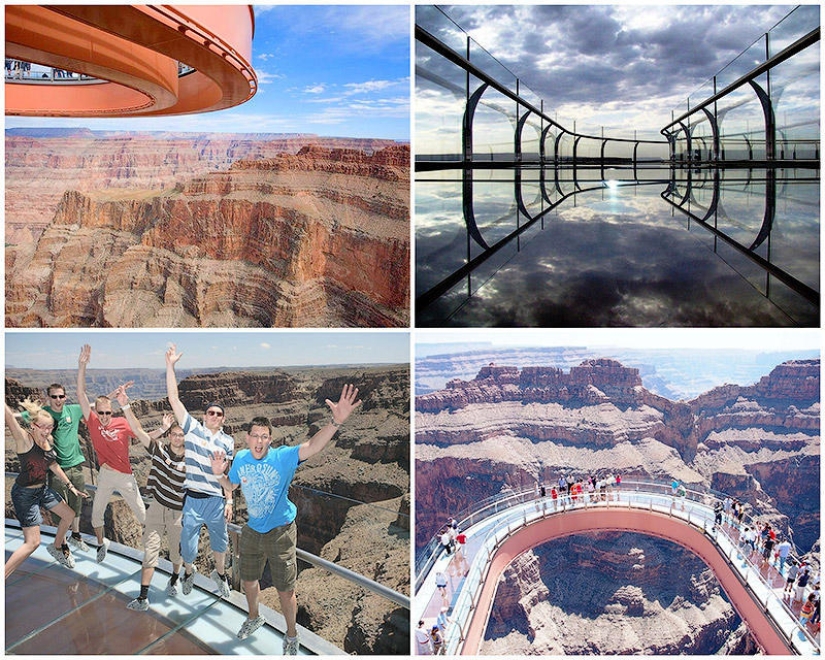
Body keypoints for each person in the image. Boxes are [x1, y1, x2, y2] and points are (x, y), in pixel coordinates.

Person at [208, 384, 361, 653]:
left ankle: (291, 635)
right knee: (248, 580)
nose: (259, 441)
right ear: (247, 438)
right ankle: (254, 617)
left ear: (270, 439)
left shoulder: (283, 457)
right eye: (255, 436)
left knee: (285, 590)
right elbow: (230, 486)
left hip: (281, 531)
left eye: (264, 436)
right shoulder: (241, 458)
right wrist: (218, 474)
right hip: (252, 530)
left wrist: (336, 421)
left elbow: (313, 446)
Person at [165, 343, 236, 600]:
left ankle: (220, 575)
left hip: (216, 500)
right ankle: (189, 571)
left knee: (221, 543)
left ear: (223, 419)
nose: (214, 416)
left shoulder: (228, 442)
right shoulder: (193, 429)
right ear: (204, 416)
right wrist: (170, 366)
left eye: (219, 414)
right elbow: (174, 399)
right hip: (193, 499)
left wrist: (229, 500)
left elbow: (227, 475)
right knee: (188, 547)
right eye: (210, 412)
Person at [115, 387, 183, 612]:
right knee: (150, 552)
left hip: (177, 513)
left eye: (181, 435)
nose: (177, 438)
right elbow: (137, 429)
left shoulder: (192, 461)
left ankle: (174, 578)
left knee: (176, 553)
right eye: (174, 434)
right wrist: (125, 405)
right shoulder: (159, 450)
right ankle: (143, 597)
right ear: (169, 435)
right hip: (156, 508)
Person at [77, 345, 147, 562]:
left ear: (112, 411)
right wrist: (82, 365)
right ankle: (101, 544)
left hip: (126, 477)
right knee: (96, 514)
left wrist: (161, 431)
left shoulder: (121, 423)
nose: (105, 416)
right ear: (96, 412)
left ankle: (150, 550)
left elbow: (140, 432)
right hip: (105, 476)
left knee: (143, 515)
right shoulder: (93, 422)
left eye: (108, 412)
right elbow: (81, 394)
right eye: (101, 412)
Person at [5, 399, 88, 578]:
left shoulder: (45, 442)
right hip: (25, 494)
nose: (47, 431)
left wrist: (70, 486)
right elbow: (9, 417)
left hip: (42, 490)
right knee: (32, 543)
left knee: (69, 515)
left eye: (50, 427)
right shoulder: (24, 439)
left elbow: (53, 465)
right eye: (42, 427)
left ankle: (57, 547)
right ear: (33, 425)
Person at [37, 383, 89, 552]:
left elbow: (93, 405)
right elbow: (20, 416)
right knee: (61, 508)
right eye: (54, 396)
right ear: (48, 398)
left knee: (76, 503)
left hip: (76, 466)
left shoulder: (74, 410)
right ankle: (62, 543)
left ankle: (76, 535)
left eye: (61, 396)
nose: (58, 399)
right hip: (56, 469)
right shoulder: (43, 413)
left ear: (65, 397)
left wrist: (113, 396)